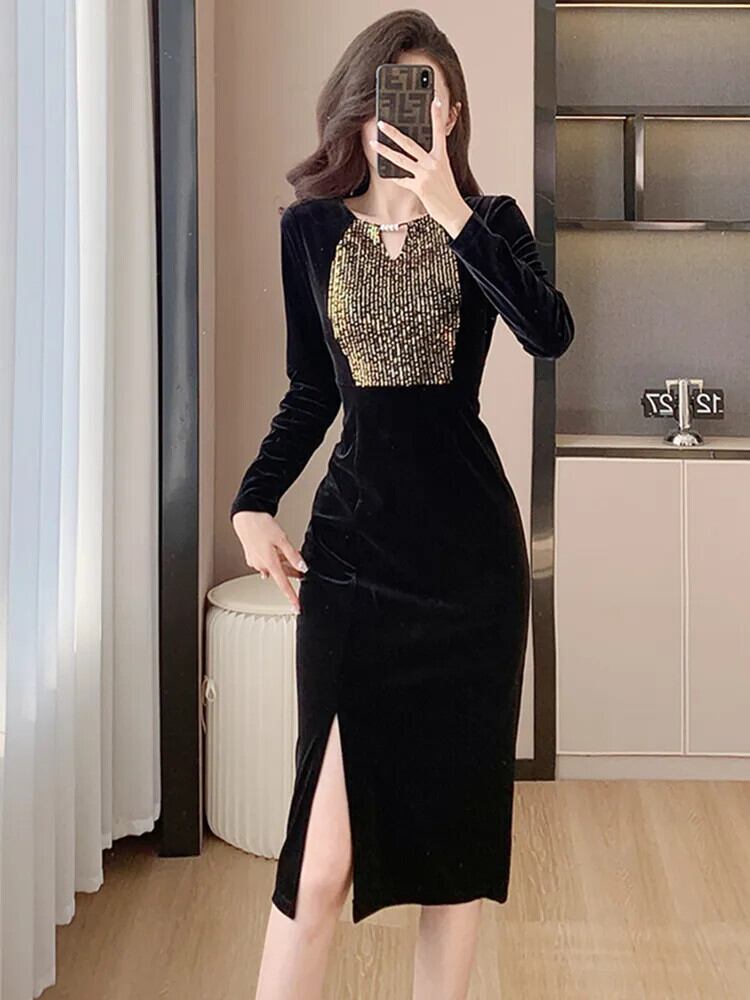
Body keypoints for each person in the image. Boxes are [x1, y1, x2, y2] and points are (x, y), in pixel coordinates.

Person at [230, 10, 575, 1000]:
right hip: (353, 562)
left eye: (432, 95)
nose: (415, 112)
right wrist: (254, 502)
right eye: (396, 91)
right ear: (363, 103)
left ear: (452, 112)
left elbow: (550, 334)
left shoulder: (491, 222)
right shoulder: (309, 230)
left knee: (452, 864)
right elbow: (311, 392)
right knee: (320, 864)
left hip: (471, 572)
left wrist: (449, 209)